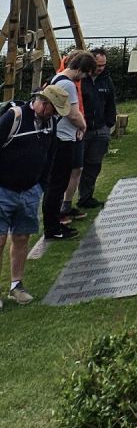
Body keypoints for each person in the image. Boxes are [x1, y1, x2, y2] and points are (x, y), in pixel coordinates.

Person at [0, 84, 72, 306]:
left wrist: (41, 185)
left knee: (21, 237)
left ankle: (16, 286)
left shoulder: (51, 123)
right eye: (54, 109)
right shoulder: (15, 117)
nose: (56, 115)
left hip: (30, 191)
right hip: (3, 189)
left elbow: (50, 156)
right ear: (43, 103)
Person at [42, 51, 92, 241]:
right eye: (85, 73)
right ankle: (52, 228)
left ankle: (54, 222)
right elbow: (72, 113)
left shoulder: (57, 78)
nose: (84, 77)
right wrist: (83, 126)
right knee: (57, 184)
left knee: (55, 184)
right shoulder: (69, 84)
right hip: (63, 140)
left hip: (59, 136)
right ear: (79, 69)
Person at [78, 48, 117, 208]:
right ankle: (64, 204)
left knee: (93, 165)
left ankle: (86, 197)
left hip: (100, 129)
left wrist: (108, 124)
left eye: (103, 65)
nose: (101, 68)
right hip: (81, 130)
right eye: (98, 65)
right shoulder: (80, 79)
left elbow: (111, 102)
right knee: (75, 167)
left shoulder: (106, 80)